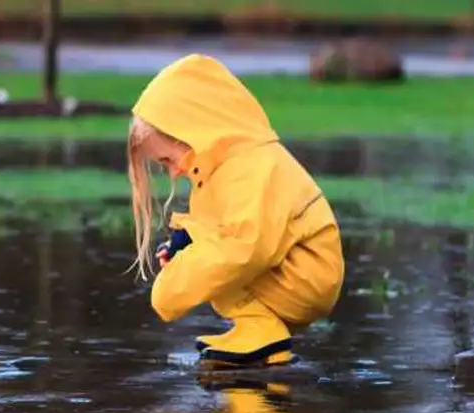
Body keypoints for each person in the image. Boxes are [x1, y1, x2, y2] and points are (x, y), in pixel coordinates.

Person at [126, 53, 345, 367]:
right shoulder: (221, 169)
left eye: (168, 161)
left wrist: (172, 288)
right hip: (291, 272)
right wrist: (184, 244)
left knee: (218, 263)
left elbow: (246, 247)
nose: (173, 173)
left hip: (306, 279)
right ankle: (259, 330)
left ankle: (264, 333)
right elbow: (219, 228)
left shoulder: (252, 167)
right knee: (210, 259)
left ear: (192, 134)